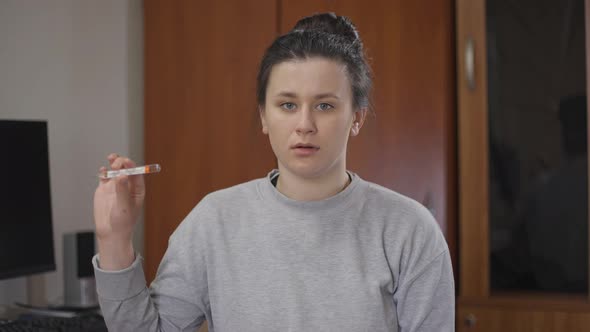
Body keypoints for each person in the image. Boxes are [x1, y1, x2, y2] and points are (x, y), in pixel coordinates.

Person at [93, 13, 455, 331]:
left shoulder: (409, 231)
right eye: (287, 104)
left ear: (356, 118)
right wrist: (114, 239)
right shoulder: (213, 221)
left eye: (325, 105)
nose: (305, 124)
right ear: (265, 117)